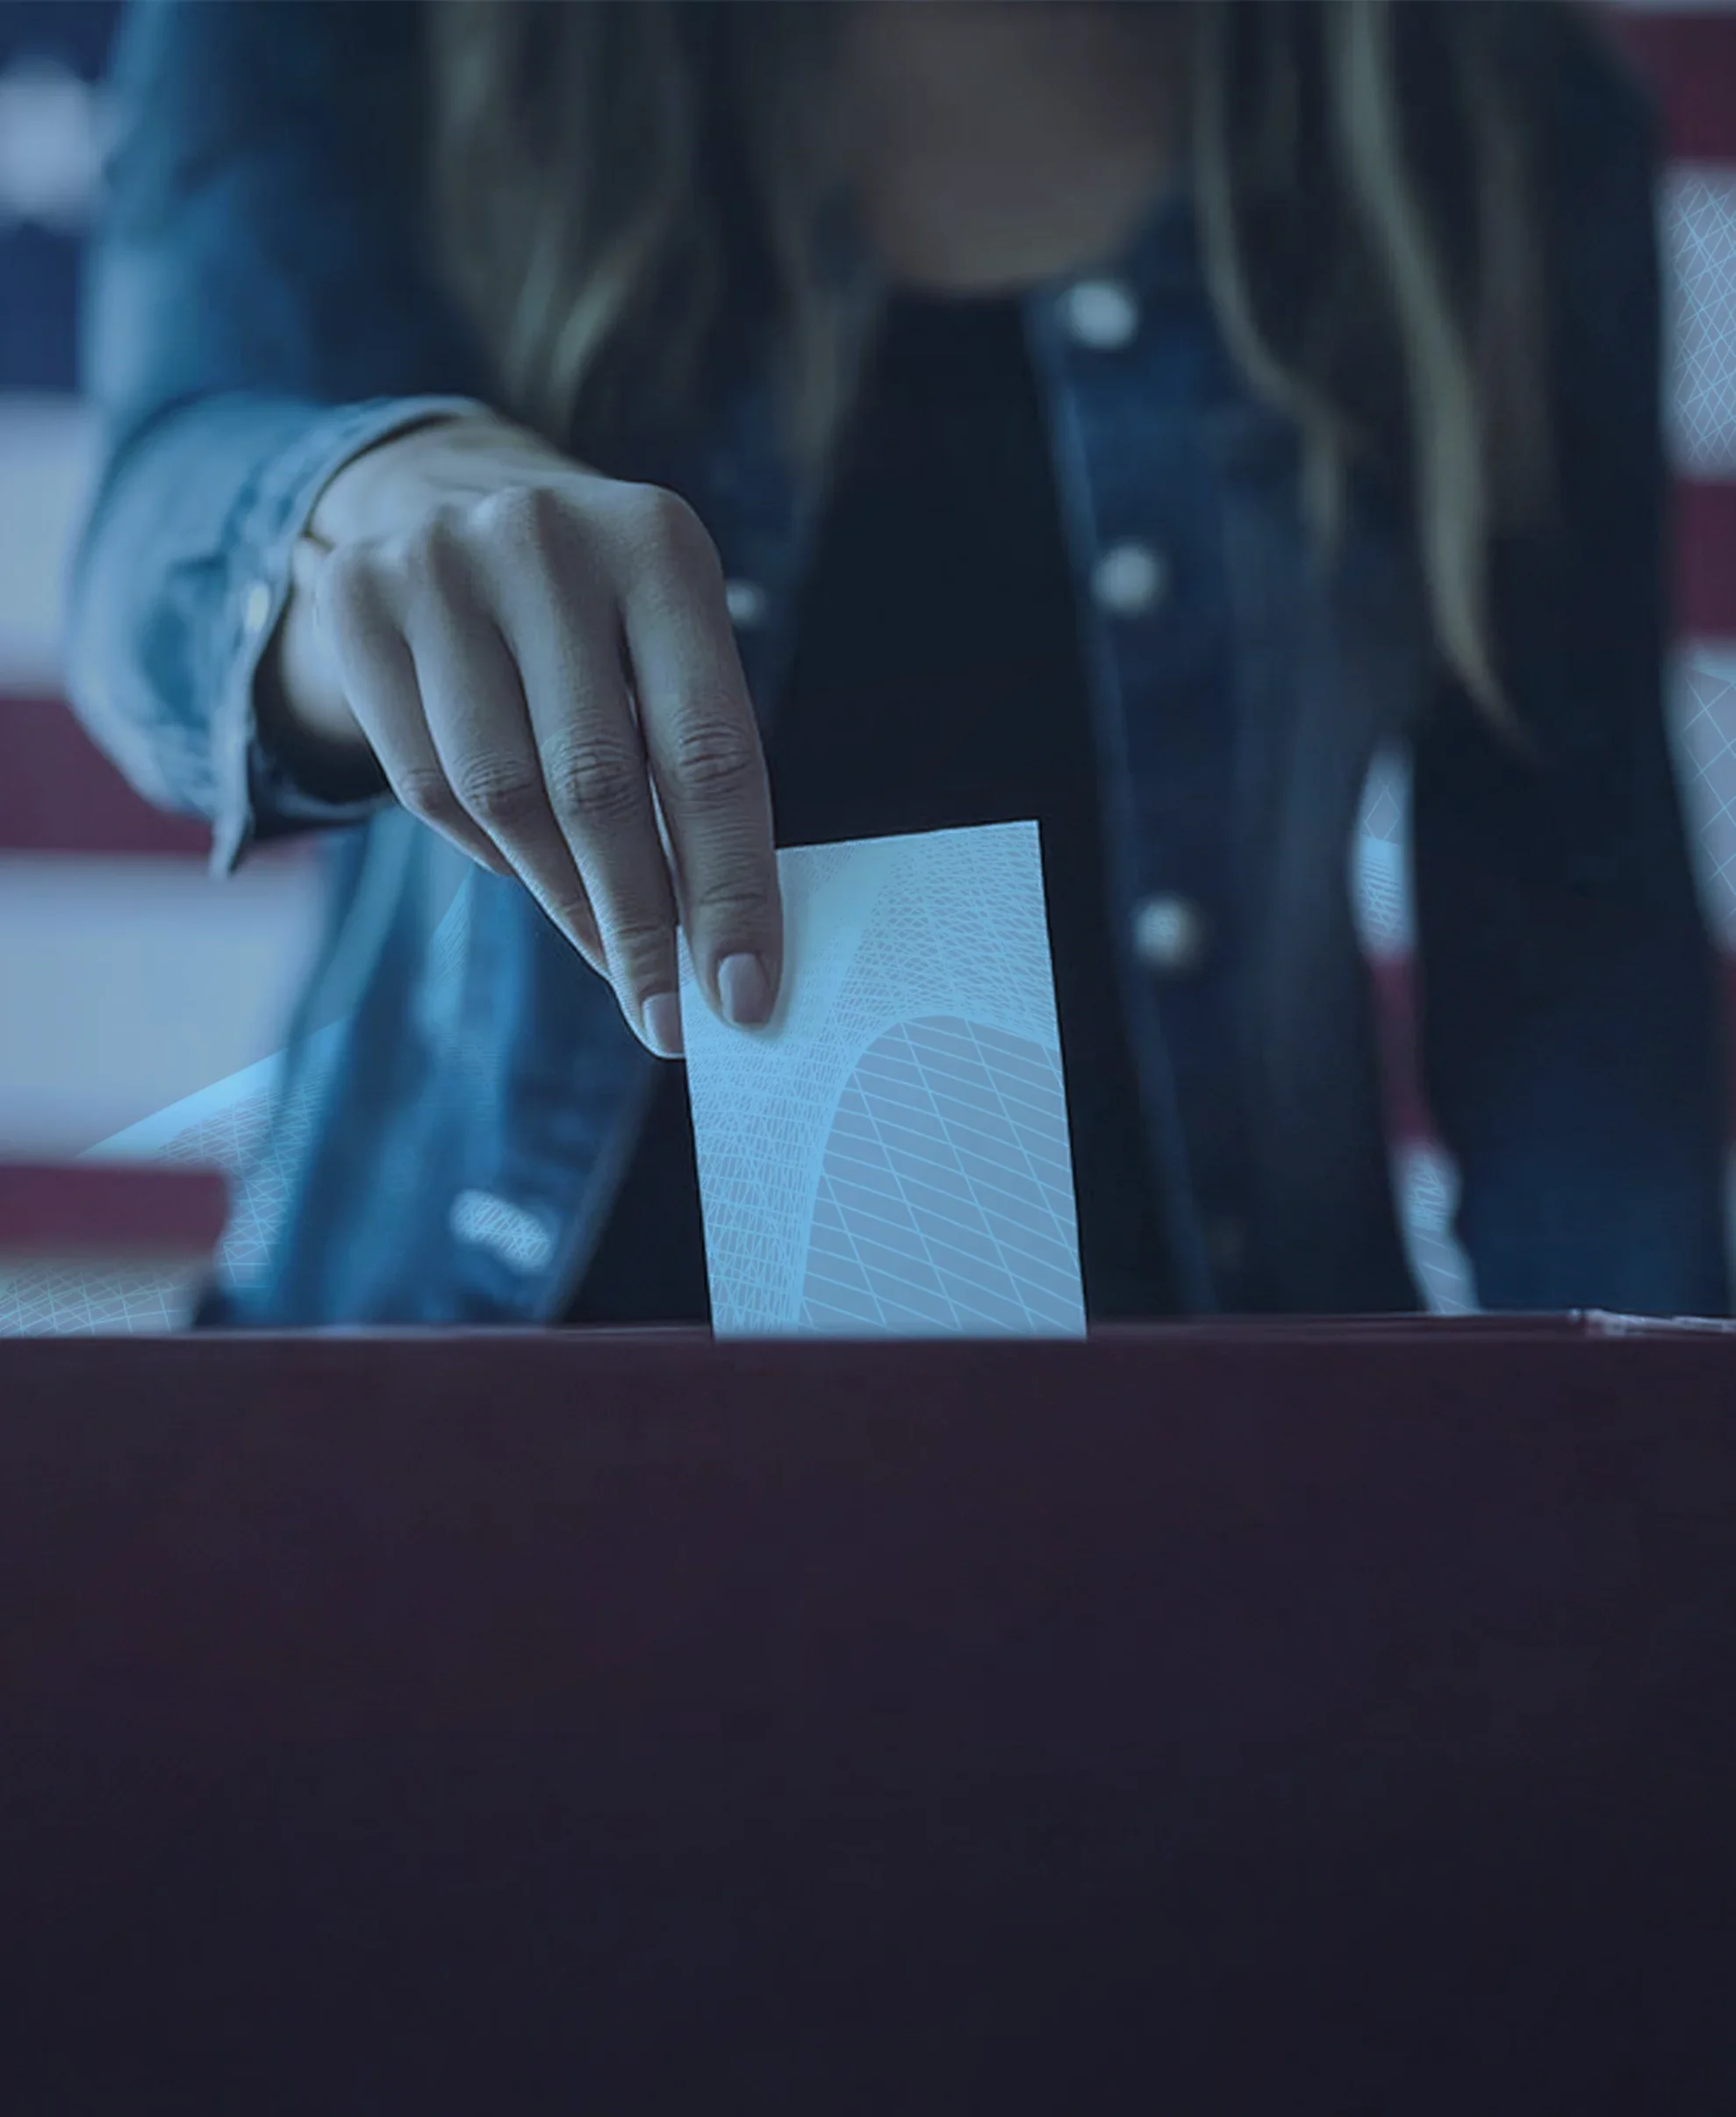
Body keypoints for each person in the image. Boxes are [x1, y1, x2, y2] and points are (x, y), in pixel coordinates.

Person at [64, 0, 1731, 1328]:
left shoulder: (1484, 104)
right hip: (453, 1440)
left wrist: (1635, 1521)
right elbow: (165, 531)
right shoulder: (358, 27)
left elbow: (1575, 939)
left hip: (1217, 1463)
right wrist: (365, 500)